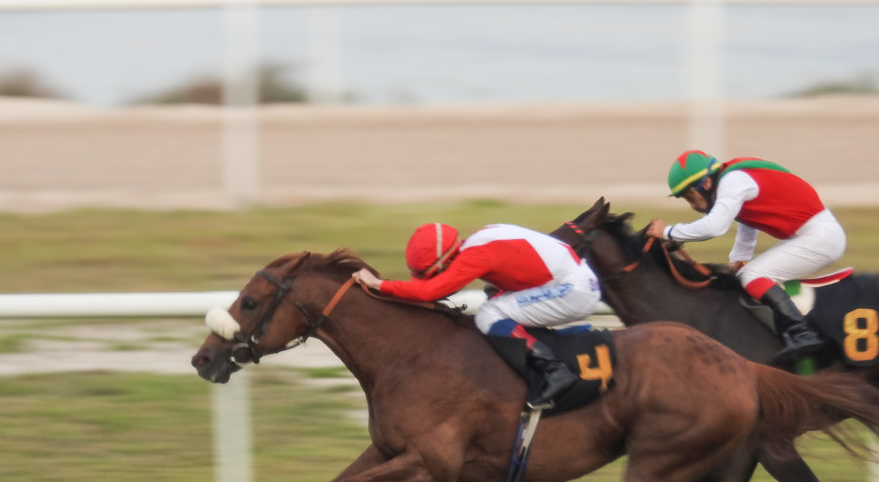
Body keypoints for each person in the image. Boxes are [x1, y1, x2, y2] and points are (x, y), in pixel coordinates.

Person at [352, 222, 601, 407]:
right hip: (569, 280)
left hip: (574, 291)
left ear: (445, 262)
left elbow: (429, 292)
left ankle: (554, 371)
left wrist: (379, 284)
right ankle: (572, 338)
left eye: (433, 273)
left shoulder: (477, 255)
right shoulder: (477, 241)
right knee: (498, 303)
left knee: (489, 315)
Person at [647, 150, 846, 363]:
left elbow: (714, 227)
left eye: (690, 196)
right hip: (814, 234)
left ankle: (802, 334)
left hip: (821, 237)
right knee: (747, 274)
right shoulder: (734, 178)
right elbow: (749, 221)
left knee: (752, 275)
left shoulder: (733, 181)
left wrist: (668, 231)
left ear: (706, 183)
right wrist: (739, 258)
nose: (692, 205)